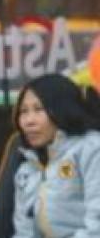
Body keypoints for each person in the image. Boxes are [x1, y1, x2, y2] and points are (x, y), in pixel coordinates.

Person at [12, 74, 100, 237]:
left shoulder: (91, 149)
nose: (29, 121)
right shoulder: (28, 168)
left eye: (39, 109)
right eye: (23, 111)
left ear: (62, 109)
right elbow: (24, 232)